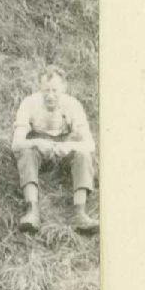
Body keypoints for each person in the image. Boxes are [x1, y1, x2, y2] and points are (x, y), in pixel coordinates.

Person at [12, 66, 98, 234]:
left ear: (64, 89)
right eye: (46, 90)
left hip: (64, 149)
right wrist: (37, 142)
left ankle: (80, 213)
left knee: (83, 154)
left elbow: (90, 144)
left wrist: (69, 146)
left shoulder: (73, 105)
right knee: (26, 153)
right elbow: (16, 144)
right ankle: (32, 211)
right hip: (39, 151)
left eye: (55, 90)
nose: (50, 96)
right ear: (40, 88)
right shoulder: (29, 103)